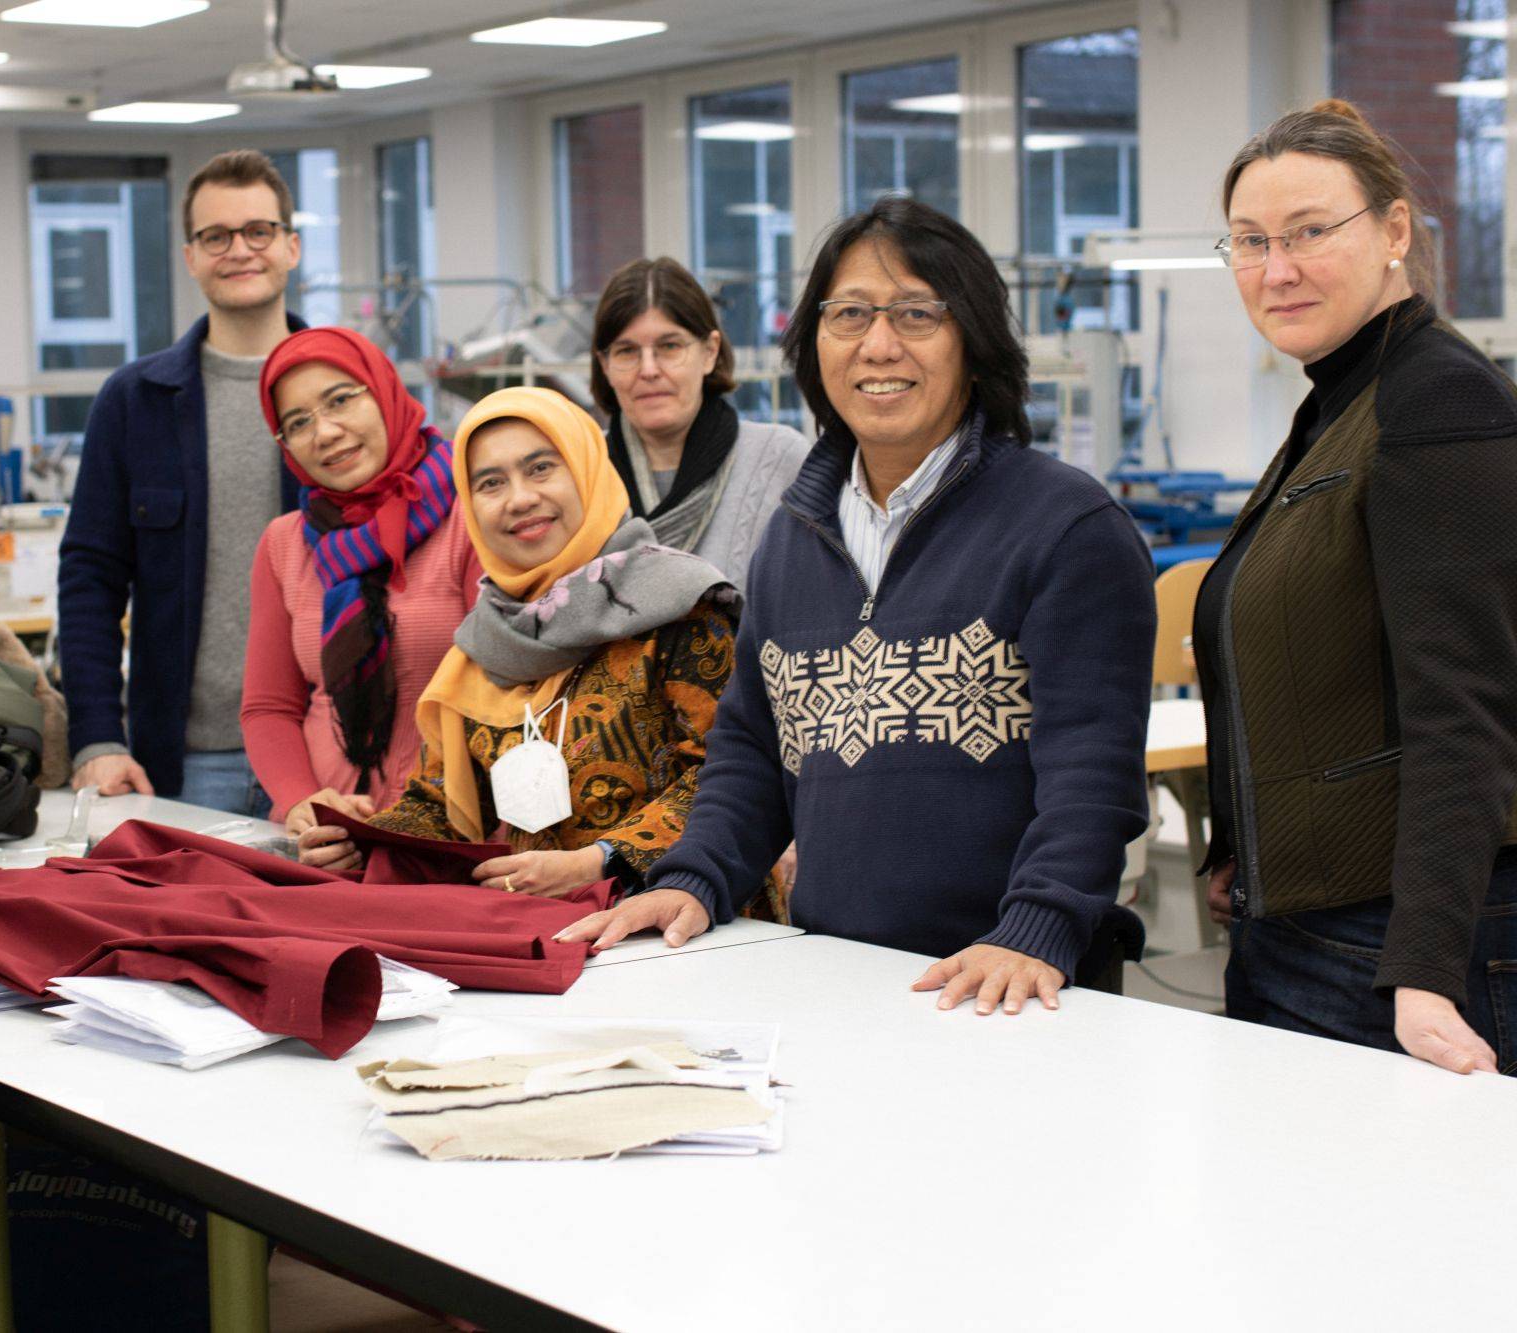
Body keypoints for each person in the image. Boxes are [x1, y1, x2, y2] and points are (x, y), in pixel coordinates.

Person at [560, 198, 1156, 1015]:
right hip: (835, 980)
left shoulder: (1065, 527)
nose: (880, 345)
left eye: (917, 313)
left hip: (1012, 992)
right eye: (849, 315)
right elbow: (752, 749)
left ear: (973, 339)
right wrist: (696, 876)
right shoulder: (792, 540)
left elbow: (1094, 776)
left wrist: (1036, 927)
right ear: (815, 347)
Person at [1195, 100, 1517, 1076]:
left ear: (1390, 231)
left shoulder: (1433, 397)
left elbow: (1465, 709)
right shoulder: (1343, 396)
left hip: (1391, 948)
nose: (1275, 268)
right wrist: (1234, 847)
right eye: (1249, 242)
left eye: (1306, 233)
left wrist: (1421, 970)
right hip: (1308, 926)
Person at [297, 386, 753, 909]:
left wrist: (599, 860)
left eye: (540, 469)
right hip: (549, 932)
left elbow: (728, 776)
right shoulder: (485, 641)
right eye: (490, 483)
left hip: (689, 923)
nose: (519, 498)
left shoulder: (680, 603)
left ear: (585, 469)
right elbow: (439, 804)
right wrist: (363, 842)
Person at [58, 149, 307, 812]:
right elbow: (90, 578)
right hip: (191, 760)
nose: (239, 250)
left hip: (328, 757)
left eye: (258, 231)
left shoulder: (351, 393)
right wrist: (96, 738)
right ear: (191, 256)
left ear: (291, 246)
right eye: (215, 236)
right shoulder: (135, 401)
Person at [242, 327, 481, 836]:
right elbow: (270, 706)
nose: (325, 432)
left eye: (340, 400)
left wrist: (420, 821)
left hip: (453, 832)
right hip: (326, 837)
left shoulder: (473, 514)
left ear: (385, 391)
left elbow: (508, 693)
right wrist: (303, 803)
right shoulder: (285, 544)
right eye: (298, 422)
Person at [591, 257, 809, 588]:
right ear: (604, 365)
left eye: (669, 346)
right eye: (626, 351)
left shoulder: (781, 460)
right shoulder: (582, 474)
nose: (648, 369)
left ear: (709, 352)